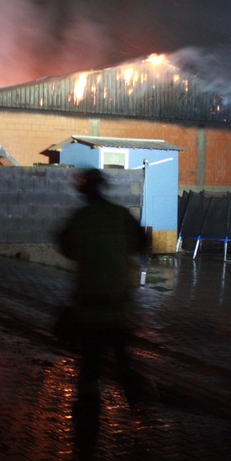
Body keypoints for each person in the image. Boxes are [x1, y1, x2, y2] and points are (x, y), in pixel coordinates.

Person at [58, 168, 150, 416]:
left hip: (90, 310)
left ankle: (88, 414)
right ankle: (134, 391)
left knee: (90, 364)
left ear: (82, 190)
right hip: (119, 307)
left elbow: (65, 246)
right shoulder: (120, 215)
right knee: (122, 355)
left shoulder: (80, 218)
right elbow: (143, 243)